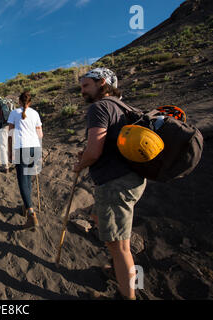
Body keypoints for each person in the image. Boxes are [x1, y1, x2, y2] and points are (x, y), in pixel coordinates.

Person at [73, 67, 147, 300]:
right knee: (97, 217)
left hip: (116, 184)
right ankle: (117, 270)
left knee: (119, 247)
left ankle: (126, 295)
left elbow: (94, 151)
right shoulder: (126, 107)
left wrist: (80, 164)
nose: (82, 90)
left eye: (86, 85)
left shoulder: (99, 107)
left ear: (102, 82)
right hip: (133, 179)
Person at [7, 91, 43, 230]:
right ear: (30, 101)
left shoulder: (14, 113)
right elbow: (40, 134)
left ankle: (31, 213)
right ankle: (25, 205)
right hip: (34, 148)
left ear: (19, 101)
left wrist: (10, 151)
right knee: (28, 178)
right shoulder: (35, 113)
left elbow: (10, 134)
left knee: (22, 180)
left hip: (21, 148)